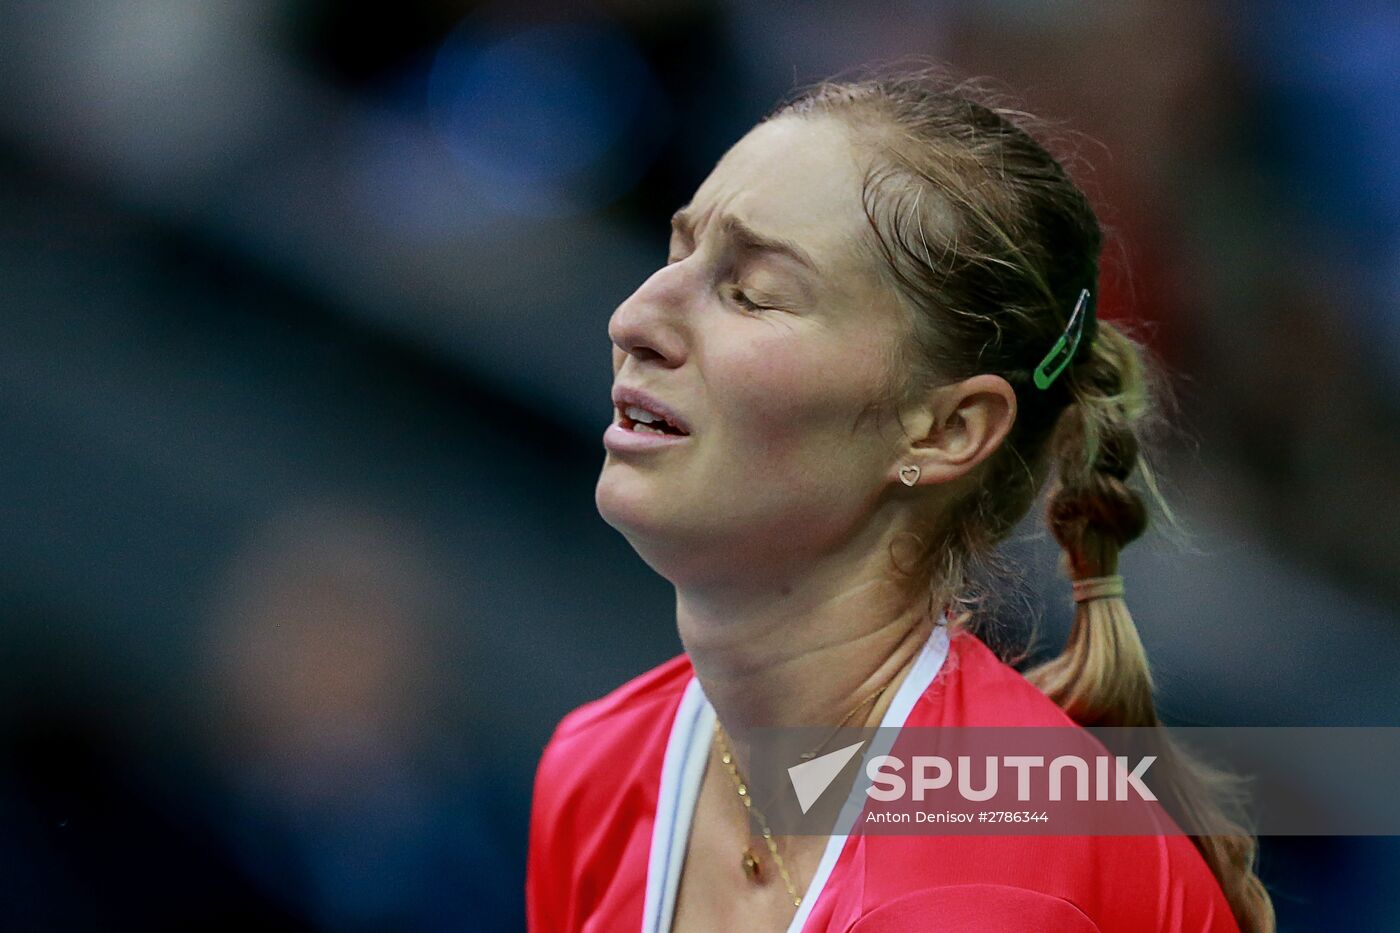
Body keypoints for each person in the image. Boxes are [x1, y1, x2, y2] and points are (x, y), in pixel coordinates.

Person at [526, 66, 1274, 932]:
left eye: (751, 292)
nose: (633, 318)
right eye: (677, 253)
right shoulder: (597, 770)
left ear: (946, 431)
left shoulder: (996, 882)